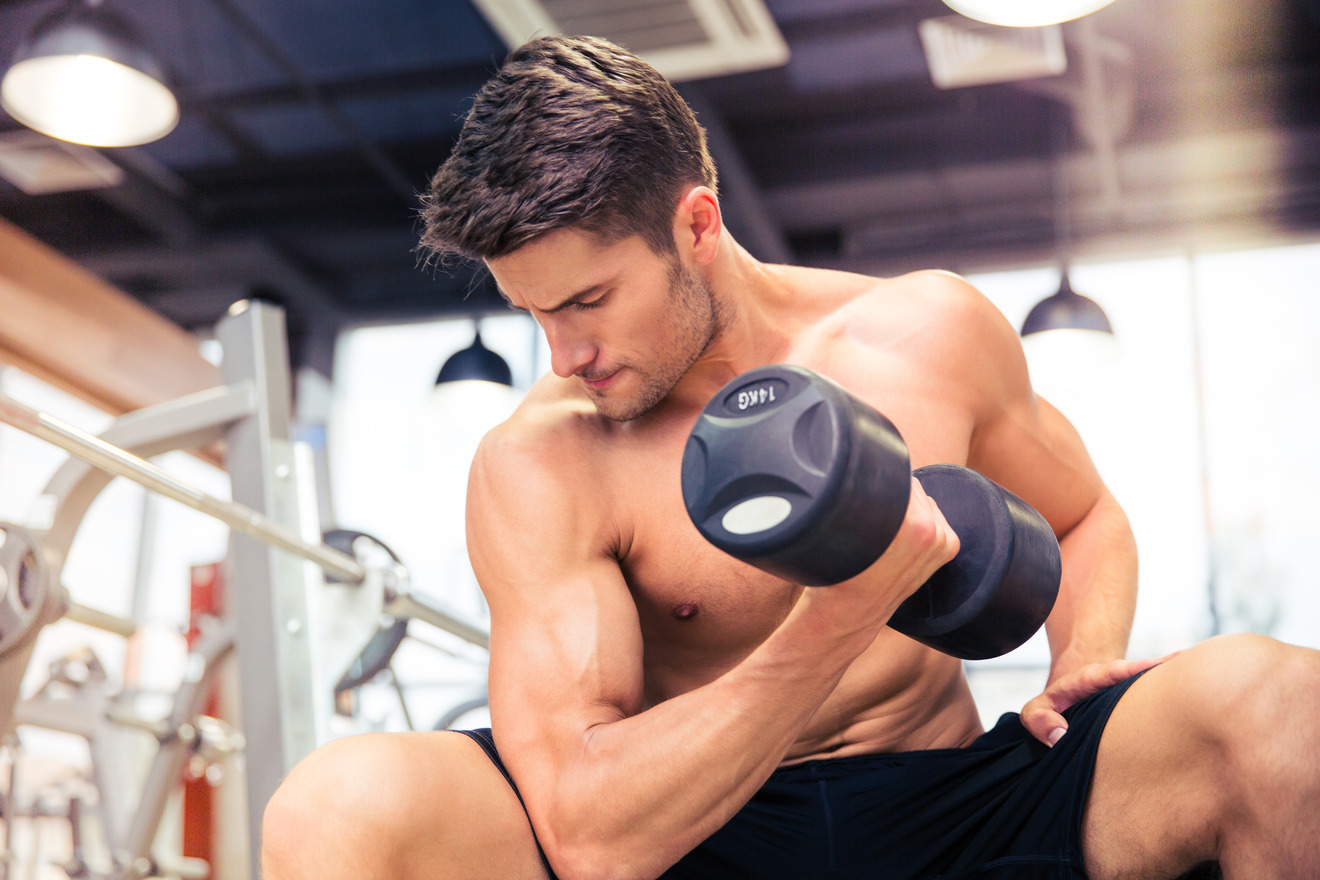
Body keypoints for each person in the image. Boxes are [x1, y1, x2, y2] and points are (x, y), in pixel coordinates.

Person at [261, 35, 1320, 880]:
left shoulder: (923, 336)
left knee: (1280, 705)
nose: (564, 354)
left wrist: (1080, 660)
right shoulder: (544, 458)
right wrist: (837, 621)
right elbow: (591, 836)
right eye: (532, 313)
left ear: (697, 224)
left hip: (952, 800)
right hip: (698, 834)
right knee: (336, 807)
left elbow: (1087, 518)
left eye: (586, 301)